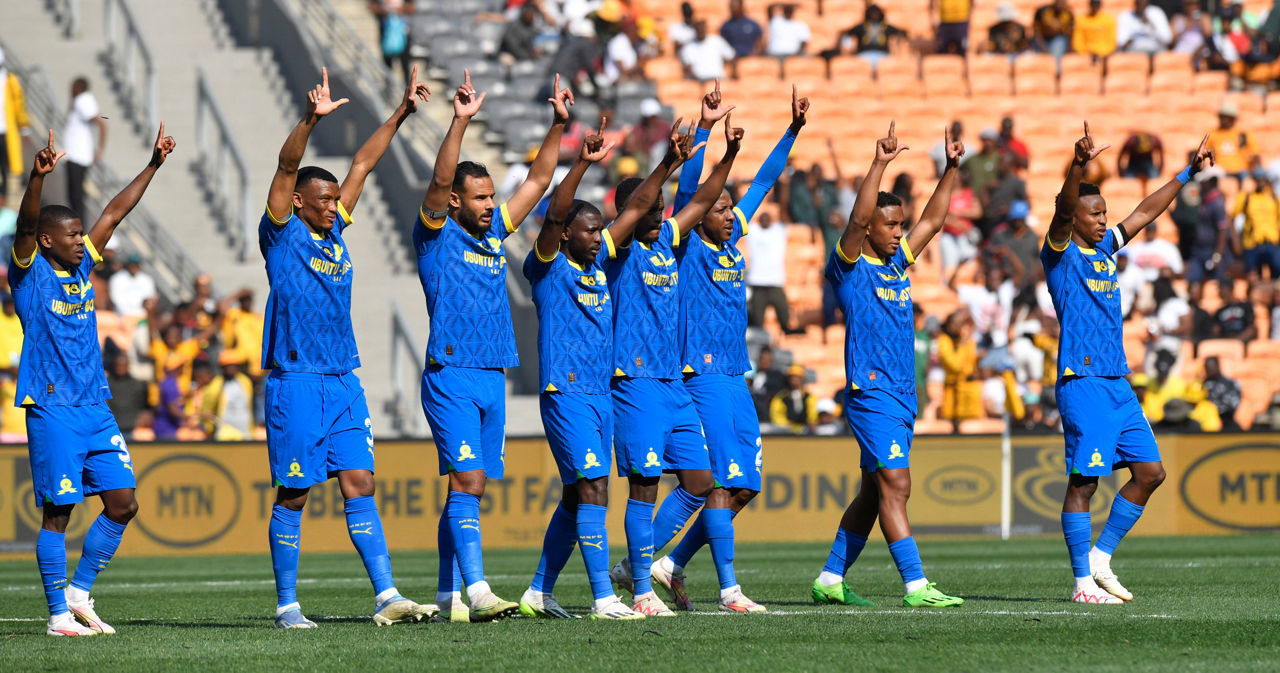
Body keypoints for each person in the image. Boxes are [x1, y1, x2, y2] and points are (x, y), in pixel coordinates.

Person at [260, 67, 432, 629]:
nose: (334, 206)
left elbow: (362, 164)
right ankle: (287, 605)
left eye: (336, 200)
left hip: (342, 379)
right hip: (296, 379)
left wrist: (402, 113)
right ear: (300, 203)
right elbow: (288, 166)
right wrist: (310, 120)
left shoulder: (335, 232)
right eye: (324, 200)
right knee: (295, 493)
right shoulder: (282, 234)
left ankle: (387, 596)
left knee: (360, 483)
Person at [649, 85, 810, 614]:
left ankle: (667, 564)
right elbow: (693, 187)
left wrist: (793, 131)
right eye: (716, 208)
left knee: (746, 487)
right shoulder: (689, 240)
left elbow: (765, 181)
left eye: (726, 208)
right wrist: (705, 129)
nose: (725, 213)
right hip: (703, 375)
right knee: (721, 481)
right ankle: (728, 589)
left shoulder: (734, 234)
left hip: (735, 377)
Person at [416, 71, 567, 622]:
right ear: (455, 200)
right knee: (470, 482)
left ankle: (445, 595)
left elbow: (540, 180)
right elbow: (437, 179)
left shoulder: (493, 233)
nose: (488, 205)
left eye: (490, 198)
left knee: (467, 490)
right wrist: (459, 122)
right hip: (451, 371)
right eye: (478, 198)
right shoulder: (436, 234)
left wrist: (556, 126)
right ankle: (477, 590)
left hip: (491, 374)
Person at [12, 122, 174, 636]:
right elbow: (22, 228)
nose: (82, 240)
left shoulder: (83, 269)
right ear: (46, 240)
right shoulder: (28, 272)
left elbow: (115, 212)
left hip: (95, 408)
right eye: (72, 235)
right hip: (53, 405)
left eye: (82, 234)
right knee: (59, 513)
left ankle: (79, 592)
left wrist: (153, 165)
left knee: (124, 504)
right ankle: (59, 615)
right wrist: (37, 181)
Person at [1043, 122, 1212, 604]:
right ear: (1072, 217)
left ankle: (1100, 560)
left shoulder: (1105, 250)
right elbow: (1061, 207)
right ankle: (1080, 583)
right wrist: (1078, 166)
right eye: (1093, 213)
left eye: (1103, 213)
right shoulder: (1059, 254)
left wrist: (1186, 174)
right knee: (1084, 482)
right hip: (1084, 381)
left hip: (1118, 384)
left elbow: (1144, 211)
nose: (1102, 219)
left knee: (1150, 474)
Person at [595, 87, 742, 618]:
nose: (659, 217)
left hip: (674, 385)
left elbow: (701, 201)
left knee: (702, 483)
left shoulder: (666, 244)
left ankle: (635, 568)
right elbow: (639, 205)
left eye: (661, 211)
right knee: (644, 487)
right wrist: (668, 161)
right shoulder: (614, 250)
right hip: (633, 384)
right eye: (651, 211)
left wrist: (721, 150)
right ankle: (638, 589)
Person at [811, 122, 966, 609]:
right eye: (891, 225)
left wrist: (952, 169)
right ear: (870, 230)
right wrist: (880, 162)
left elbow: (935, 221)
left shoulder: (899, 263)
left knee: (874, 492)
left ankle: (830, 579)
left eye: (901, 224)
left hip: (902, 392)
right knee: (897, 484)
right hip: (871, 390)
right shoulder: (849, 266)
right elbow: (855, 225)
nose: (899, 232)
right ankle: (917, 585)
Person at [62, 78, 106, 223]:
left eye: (73, 86)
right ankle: (77, 228)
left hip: (78, 156)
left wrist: (100, 149)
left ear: (79, 87)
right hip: (76, 155)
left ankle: (79, 230)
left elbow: (101, 122)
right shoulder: (81, 100)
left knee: (76, 196)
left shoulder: (82, 100)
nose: (71, 89)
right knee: (74, 196)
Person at [1232, 169, 1280, 281]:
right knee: (1253, 276)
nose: (1261, 183)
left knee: (1277, 272)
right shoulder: (1247, 197)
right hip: (1252, 244)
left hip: (1271, 243)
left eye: (1263, 180)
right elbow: (1232, 217)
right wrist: (1236, 240)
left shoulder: (1273, 198)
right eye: (1258, 180)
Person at [833, 4, 906, 69]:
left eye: (876, 13)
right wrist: (847, 48)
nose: (874, 15)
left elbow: (901, 33)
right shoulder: (861, 26)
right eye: (872, 13)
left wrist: (898, 42)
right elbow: (846, 34)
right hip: (864, 56)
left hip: (883, 56)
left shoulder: (886, 27)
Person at [1, 48, 32, 200]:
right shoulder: (9, 80)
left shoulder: (10, 80)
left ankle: (5, 198)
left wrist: (25, 128)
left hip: (6, 130)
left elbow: (19, 105)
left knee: (7, 167)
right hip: (5, 130)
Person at [1206, 102, 1255, 187]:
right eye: (1221, 116)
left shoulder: (1242, 134)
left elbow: (1254, 153)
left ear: (1233, 119)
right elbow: (1205, 153)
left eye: (1226, 117)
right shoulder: (1212, 134)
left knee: (1248, 184)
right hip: (1219, 169)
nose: (1223, 119)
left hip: (1240, 170)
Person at [369, 0, 415, 83]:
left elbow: (412, 7)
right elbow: (372, 6)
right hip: (386, 35)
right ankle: (388, 89)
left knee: (405, 66)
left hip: (403, 35)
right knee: (387, 67)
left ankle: (408, 89)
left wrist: (400, 9)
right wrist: (384, 10)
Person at [769, 364, 817, 434]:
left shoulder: (810, 397)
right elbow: (777, 416)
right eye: (792, 377)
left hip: (807, 432)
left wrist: (811, 422)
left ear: (802, 378)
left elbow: (813, 415)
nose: (794, 379)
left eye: (797, 377)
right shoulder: (780, 398)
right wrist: (788, 425)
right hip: (787, 433)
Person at [1201, 356, 1241, 431]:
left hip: (1226, 419)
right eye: (1208, 367)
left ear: (1218, 366)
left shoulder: (1229, 383)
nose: (1210, 369)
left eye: (1212, 366)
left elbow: (1234, 403)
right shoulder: (1202, 385)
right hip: (1206, 420)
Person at [1213, 276, 1256, 341]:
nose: (1219, 292)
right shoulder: (1219, 311)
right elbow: (1215, 331)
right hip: (1225, 343)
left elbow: (1252, 329)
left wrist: (1237, 340)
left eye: (1221, 289)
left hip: (1242, 341)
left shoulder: (1246, 306)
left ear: (1230, 289)